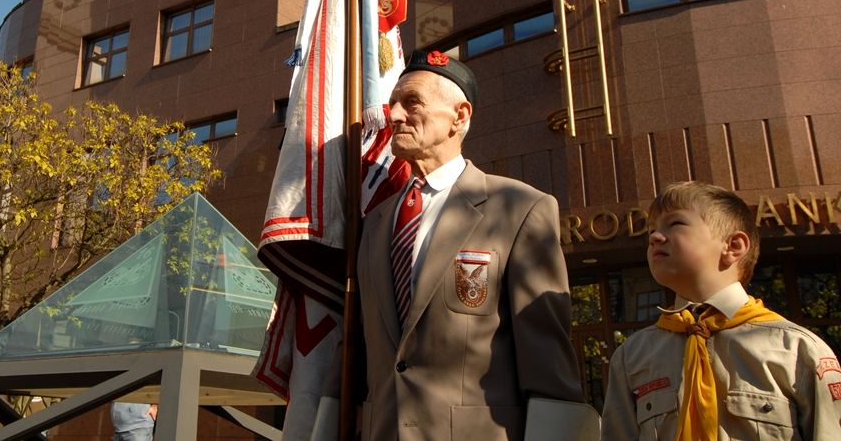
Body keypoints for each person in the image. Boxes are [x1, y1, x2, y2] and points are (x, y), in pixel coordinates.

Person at [357, 49, 583, 440]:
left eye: (411, 102)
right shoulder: (374, 223)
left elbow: (547, 367)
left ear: (459, 117)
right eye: (393, 104)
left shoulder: (520, 209)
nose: (393, 116)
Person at [601, 181, 841, 440]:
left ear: (733, 246)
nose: (655, 237)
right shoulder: (632, 357)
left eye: (676, 224)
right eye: (652, 230)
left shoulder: (796, 349)